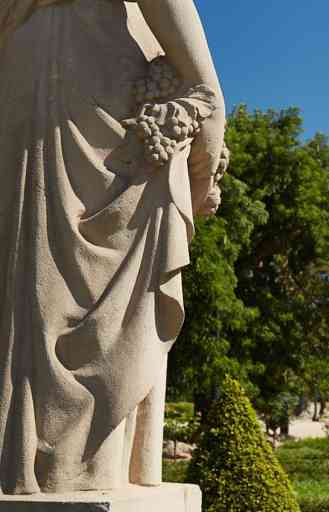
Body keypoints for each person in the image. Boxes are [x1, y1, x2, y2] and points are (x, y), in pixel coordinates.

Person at [0, 0, 225, 493]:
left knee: (30, 271)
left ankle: (32, 458)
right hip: (91, 75)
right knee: (73, 275)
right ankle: (84, 466)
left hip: (24, 67)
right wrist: (208, 90)